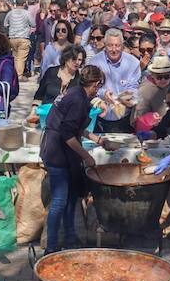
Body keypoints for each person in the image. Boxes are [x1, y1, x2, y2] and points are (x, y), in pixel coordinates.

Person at [40, 65, 115, 254]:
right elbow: (67, 134)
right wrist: (87, 156)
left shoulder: (78, 95)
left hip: (65, 153)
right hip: (57, 152)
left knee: (72, 198)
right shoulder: (77, 99)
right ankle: (51, 246)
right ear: (96, 83)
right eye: (98, 86)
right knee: (59, 200)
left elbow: (76, 128)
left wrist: (100, 141)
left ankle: (70, 238)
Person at [88, 28, 141, 133]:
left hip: (124, 119)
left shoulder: (133, 63)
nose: (114, 49)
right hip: (100, 116)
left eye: (117, 45)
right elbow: (90, 87)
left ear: (122, 46)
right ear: (104, 45)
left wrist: (128, 96)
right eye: (110, 45)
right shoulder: (95, 62)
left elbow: (134, 87)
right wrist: (103, 93)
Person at [31, 44, 85, 113]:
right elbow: (39, 95)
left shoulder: (80, 79)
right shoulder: (51, 72)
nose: (77, 62)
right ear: (66, 58)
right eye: (74, 58)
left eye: (79, 60)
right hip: (46, 114)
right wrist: (33, 112)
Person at [133, 56, 170, 132]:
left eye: (167, 76)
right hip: (151, 130)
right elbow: (139, 116)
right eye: (159, 77)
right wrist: (152, 117)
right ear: (152, 75)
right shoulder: (145, 89)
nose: (163, 80)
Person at [5, 0, 33, 77]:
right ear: (24, 4)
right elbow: (33, 24)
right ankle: (18, 75)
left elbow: (5, 24)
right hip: (23, 37)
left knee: (15, 57)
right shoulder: (26, 13)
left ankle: (13, 74)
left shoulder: (10, 13)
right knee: (21, 58)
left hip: (12, 37)